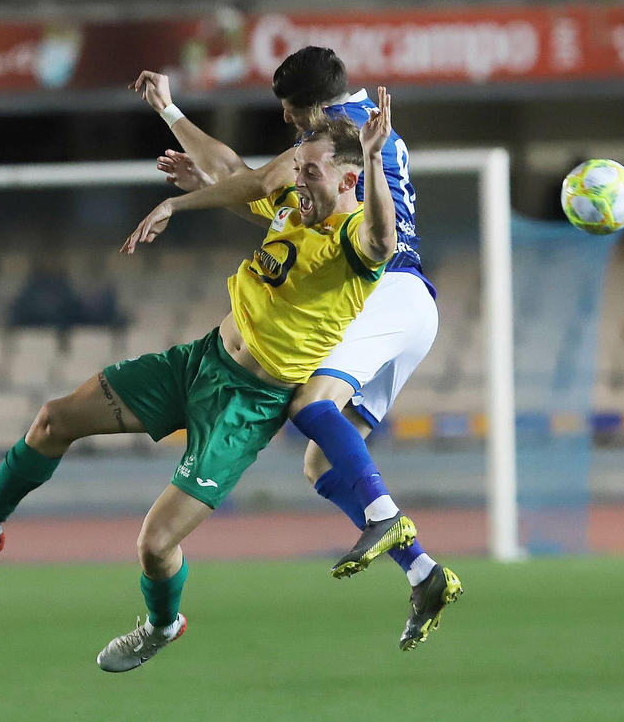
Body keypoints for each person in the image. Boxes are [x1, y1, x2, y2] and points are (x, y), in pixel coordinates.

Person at [0, 112, 396, 673]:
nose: (296, 178)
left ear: (348, 181)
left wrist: (376, 155)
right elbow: (236, 174)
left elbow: (383, 239)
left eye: (309, 171)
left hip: (246, 407)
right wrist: (172, 119)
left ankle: (164, 625)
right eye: (297, 167)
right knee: (53, 420)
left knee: (155, 544)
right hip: (199, 361)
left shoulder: (357, 242)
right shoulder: (293, 207)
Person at [131, 49, 460, 652]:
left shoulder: (338, 134)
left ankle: (384, 518)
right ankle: (424, 573)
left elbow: (254, 180)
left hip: (390, 289)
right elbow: (251, 186)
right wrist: (171, 111)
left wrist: (182, 202)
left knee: (308, 402)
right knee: (321, 461)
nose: (288, 124)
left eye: (290, 113)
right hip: (401, 304)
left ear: (313, 107)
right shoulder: (346, 135)